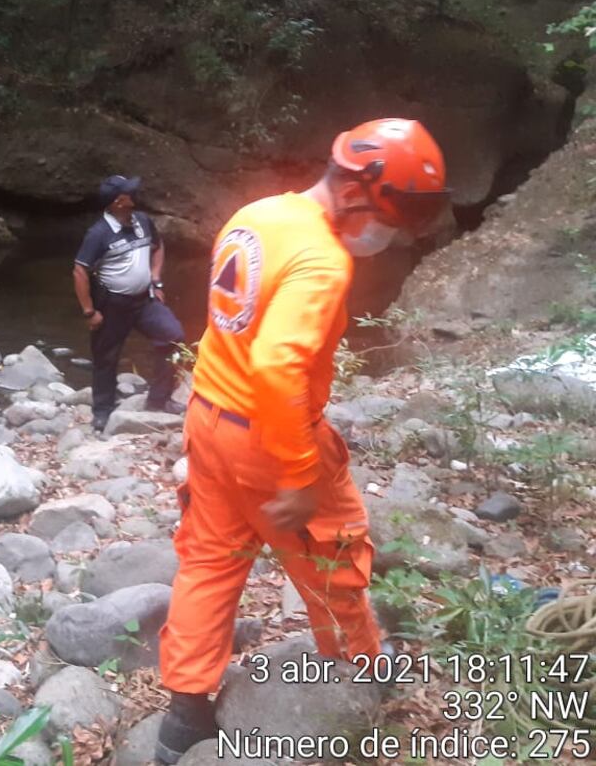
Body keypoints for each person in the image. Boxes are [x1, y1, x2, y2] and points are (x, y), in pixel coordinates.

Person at [154, 119, 450, 763]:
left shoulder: (258, 215)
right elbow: (276, 364)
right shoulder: (323, 260)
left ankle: (184, 716)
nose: (391, 233)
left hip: (209, 415)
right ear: (356, 192)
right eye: (392, 218)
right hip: (269, 436)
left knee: (210, 560)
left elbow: (235, 328)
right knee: (333, 554)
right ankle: (358, 671)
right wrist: (296, 472)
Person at [73, 175, 186, 432]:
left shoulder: (143, 221)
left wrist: (156, 280)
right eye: (129, 192)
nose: (136, 193)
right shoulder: (99, 233)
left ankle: (159, 400)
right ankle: (102, 411)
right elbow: (80, 271)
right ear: (118, 202)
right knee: (106, 357)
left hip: (144, 300)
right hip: (112, 304)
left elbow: (158, 246)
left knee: (173, 336)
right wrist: (89, 311)